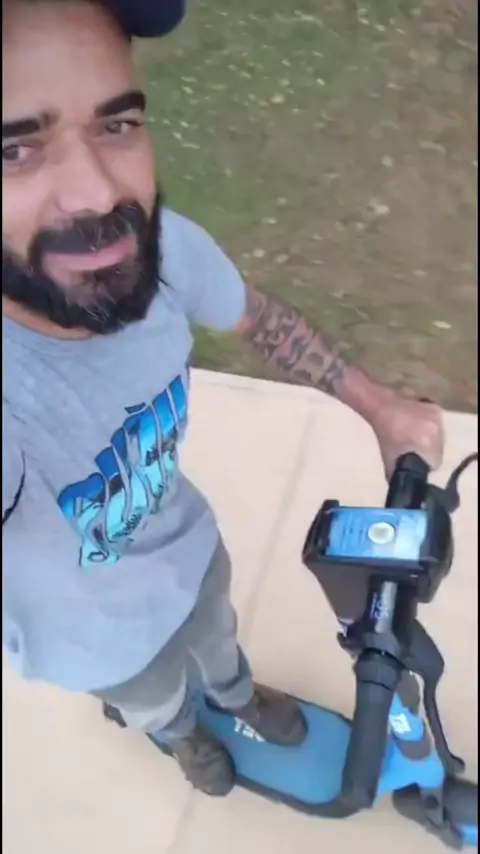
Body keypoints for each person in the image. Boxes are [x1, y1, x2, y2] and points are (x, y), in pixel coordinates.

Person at [2, 0, 444, 797]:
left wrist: (381, 408)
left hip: (187, 546)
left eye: (116, 125)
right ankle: (184, 740)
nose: (98, 195)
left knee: (219, 641)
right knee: (156, 697)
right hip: (95, 641)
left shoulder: (158, 249)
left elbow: (256, 316)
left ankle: (240, 697)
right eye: (13, 150)